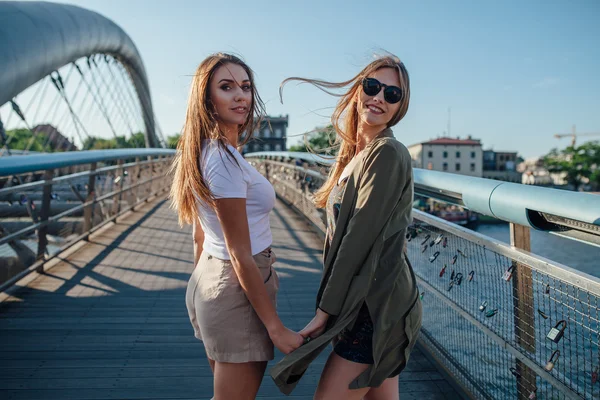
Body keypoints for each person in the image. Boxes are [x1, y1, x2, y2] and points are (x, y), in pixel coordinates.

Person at [271, 54, 422, 400]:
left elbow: (357, 241)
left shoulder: (388, 153)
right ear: (358, 90)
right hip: (372, 301)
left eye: (392, 95)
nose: (379, 98)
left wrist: (324, 313)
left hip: (374, 310)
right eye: (372, 86)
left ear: (401, 106)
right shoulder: (358, 153)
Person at [170, 53, 304, 400]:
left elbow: (201, 234)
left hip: (211, 280)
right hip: (235, 289)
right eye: (226, 87)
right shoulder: (224, 161)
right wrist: (276, 328)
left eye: (245, 87)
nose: (240, 96)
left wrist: (200, 289)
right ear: (206, 98)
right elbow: (239, 252)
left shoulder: (205, 150)